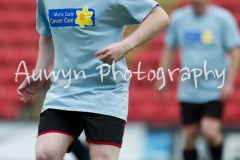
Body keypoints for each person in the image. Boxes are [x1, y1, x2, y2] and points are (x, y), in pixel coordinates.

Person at [17, 0, 169, 160]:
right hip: (64, 91)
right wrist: (40, 73)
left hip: (105, 93)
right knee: (45, 153)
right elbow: (47, 32)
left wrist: (126, 45)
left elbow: (159, 16)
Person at [156, 0, 240, 160]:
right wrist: (162, 76)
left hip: (214, 87)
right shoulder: (179, 19)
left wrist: (229, 83)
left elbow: (236, 51)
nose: (196, 3)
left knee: (210, 130)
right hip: (189, 90)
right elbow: (169, 48)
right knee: (189, 136)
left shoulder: (223, 18)